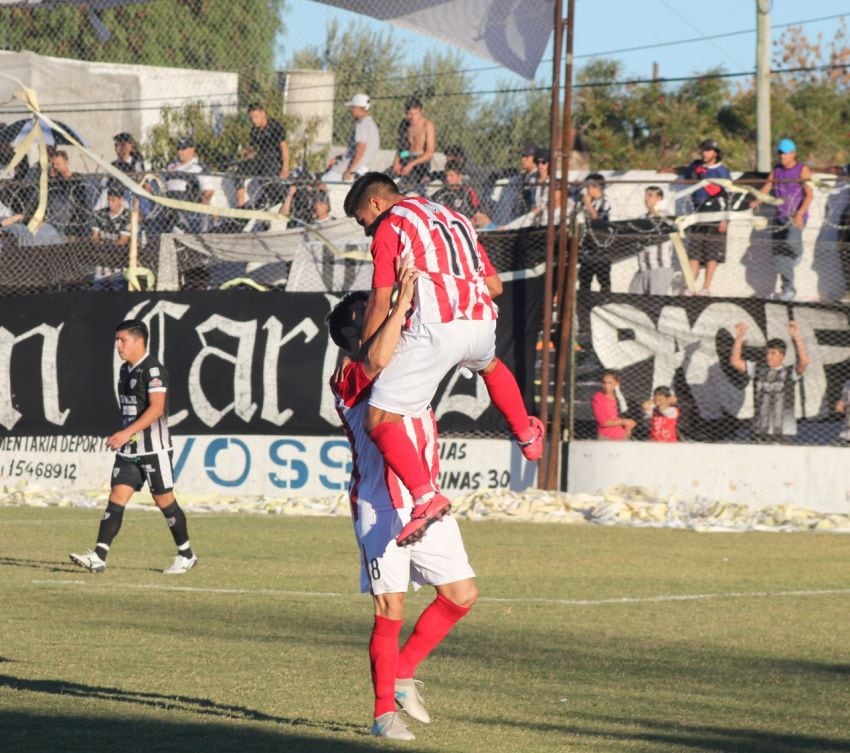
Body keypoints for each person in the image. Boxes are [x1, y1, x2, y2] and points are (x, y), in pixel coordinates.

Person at [343, 173, 544, 547]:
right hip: (481, 321)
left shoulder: (391, 226)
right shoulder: (455, 218)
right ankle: (527, 434)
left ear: (375, 203)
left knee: (379, 417)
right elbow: (495, 286)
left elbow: (380, 301)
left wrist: (368, 355)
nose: (368, 232)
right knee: (490, 366)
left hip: (437, 327)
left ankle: (424, 497)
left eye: (363, 222)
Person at [328, 264, 477, 740]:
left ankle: (403, 673)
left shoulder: (403, 365)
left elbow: (419, 339)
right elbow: (379, 356)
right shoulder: (350, 375)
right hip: (381, 506)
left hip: (424, 499)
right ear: (355, 334)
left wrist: (409, 296)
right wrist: (397, 303)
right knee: (389, 609)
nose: (380, 318)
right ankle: (381, 716)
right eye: (369, 316)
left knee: (462, 594)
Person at [70, 319, 197, 575]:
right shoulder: (125, 370)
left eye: (122, 340)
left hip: (154, 449)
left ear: (140, 341)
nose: (118, 345)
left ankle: (186, 555)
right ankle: (99, 556)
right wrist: (125, 436)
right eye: (116, 340)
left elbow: (157, 408)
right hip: (129, 450)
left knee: (164, 500)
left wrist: (126, 432)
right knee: (116, 497)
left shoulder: (153, 370)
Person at [750, 138, 813, 301]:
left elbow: (809, 194)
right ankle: (788, 290)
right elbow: (767, 186)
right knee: (779, 257)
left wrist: (799, 214)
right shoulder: (777, 170)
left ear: (793, 154)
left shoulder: (802, 169)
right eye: (780, 154)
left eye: (785, 154)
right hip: (779, 218)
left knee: (791, 243)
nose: (781, 157)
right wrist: (758, 199)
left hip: (795, 217)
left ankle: (798, 254)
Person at [729, 320, 810, 440]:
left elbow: (804, 362)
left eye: (773, 353)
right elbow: (735, 361)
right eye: (767, 353)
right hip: (759, 430)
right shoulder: (757, 369)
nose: (768, 356)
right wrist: (740, 337)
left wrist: (797, 336)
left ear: (782, 355)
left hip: (784, 431)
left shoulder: (789, 371)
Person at [678, 139, 732, 296]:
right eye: (703, 150)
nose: (704, 153)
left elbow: (729, 195)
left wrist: (725, 219)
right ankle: (690, 286)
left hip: (716, 213)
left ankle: (706, 287)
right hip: (698, 214)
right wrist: (667, 170)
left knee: (711, 253)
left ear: (715, 153)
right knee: (693, 253)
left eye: (708, 150)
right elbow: (685, 170)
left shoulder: (722, 171)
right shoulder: (697, 166)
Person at [235, 103, 290, 208]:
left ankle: (271, 201)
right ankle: (240, 206)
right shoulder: (254, 130)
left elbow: (284, 147)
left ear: (263, 114)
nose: (253, 120)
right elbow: (252, 147)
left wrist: (285, 167)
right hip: (260, 158)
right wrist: (247, 154)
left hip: (274, 159)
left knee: (265, 179)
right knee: (239, 171)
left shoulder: (275, 126)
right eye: (251, 118)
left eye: (256, 117)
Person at [629, 186, 677, 295]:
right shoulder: (642, 217)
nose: (646, 198)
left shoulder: (666, 216)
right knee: (633, 297)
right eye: (646, 195)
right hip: (643, 267)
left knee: (655, 302)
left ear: (659, 198)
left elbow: (669, 226)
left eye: (650, 195)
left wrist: (656, 210)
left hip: (659, 267)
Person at [323, 93, 380, 182]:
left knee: (323, 181)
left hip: (349, 168)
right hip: (361, 166)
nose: (351, 111)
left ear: (357, 108)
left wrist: (350, 171)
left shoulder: (361, 124)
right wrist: (338, 158)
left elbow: (361, 148)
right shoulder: (371, 123)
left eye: (352, 107)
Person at [163, 136, 215, 233]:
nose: (180, 152)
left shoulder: (199, 167)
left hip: (189, 211)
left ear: (192, 149)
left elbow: (208, 192)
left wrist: (198, 210)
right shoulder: (171, 166)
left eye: (183, 149)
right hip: (170, 210)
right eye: (178, 148)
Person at [390, 96, 436, 194]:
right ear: (406, 113)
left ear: (421, 111)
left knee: (406, 189)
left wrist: (411, 164)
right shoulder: (405, 125)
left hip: (420, 161)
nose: (413, 117)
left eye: (416, 114)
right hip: (407, 156)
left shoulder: (427, 125)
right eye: (410, 114)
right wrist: (396, 162)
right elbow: (403, 149)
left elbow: (429, 153)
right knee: (383, 179)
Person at [577, 173, 614, 292]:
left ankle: (604, 303)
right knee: (584, 280)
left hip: (601, 248)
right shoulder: (589, 203)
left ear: (595, 187)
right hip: (587, 248)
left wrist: (587, 204)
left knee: (603, 281)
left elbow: (598, 220)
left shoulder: (605, 202)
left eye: (588, 187)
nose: (587, 190)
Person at [488, 144, 538, 227]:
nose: (523, 159)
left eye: (526, 156)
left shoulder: (537, 177)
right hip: (514, 216)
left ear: (534, 158)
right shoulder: (519, 178)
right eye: (522, 156)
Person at [47, 149, 90, 238]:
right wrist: (51, 179)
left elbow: (77, 199)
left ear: (66, 163)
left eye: (58, 164)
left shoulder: (76, 178)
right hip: (55, 216)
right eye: (53, 164)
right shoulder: (53, 179)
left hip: (73, 216)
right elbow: (49, 195)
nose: (55, 167)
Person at [591, 370, 635, 440]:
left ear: (616, 383)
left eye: (610, 383)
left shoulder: (620, 397)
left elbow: (630, 415)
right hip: (606, 436)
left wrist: (629, 425)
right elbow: (603, 422)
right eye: (604, 383)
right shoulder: (598, 398)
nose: (606, 386)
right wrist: (624, 422)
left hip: (623, 435)